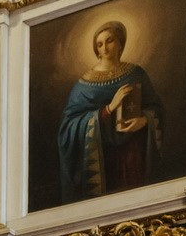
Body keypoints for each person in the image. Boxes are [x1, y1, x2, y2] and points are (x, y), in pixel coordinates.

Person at [55, 20, 163, 204]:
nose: (104, 48)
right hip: (103, 160)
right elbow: (67, 130)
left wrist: (144, 121)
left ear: (120, 43)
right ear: (96, 49)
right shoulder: (83, 86)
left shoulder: (136, 73)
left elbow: (156, 108)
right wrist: (108, 109)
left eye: (110, 41)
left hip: (133, 153)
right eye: (99, 44)